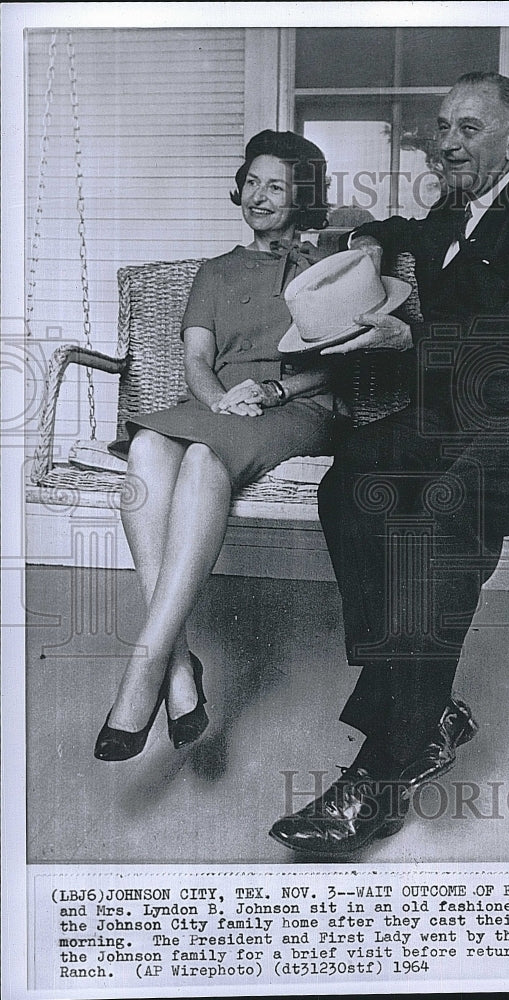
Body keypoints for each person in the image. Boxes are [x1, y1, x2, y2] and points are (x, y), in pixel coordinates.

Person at [269, 72, 509, 855]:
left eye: (468, 129)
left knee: (445, 511)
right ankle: (424, 704)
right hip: (473, 405)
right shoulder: (453, 210)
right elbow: (415, 232)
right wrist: (370, 235)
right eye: (441, 128)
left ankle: (387, 762)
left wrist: (412, 340)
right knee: (355, 481)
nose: (447, 142)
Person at [95, 130, 336, 761]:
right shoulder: (215, 271)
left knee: (203, 456)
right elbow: (198, 360)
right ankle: (176, 668)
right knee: (148, 445)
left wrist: (271, 392)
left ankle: (147, 673)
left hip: (294, 406)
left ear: (301, 197)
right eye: (252, 181)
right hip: (223, 406)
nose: (258, 196)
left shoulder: (321, 268)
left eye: (276, 186)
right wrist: (217, 400)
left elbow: (338, 365)